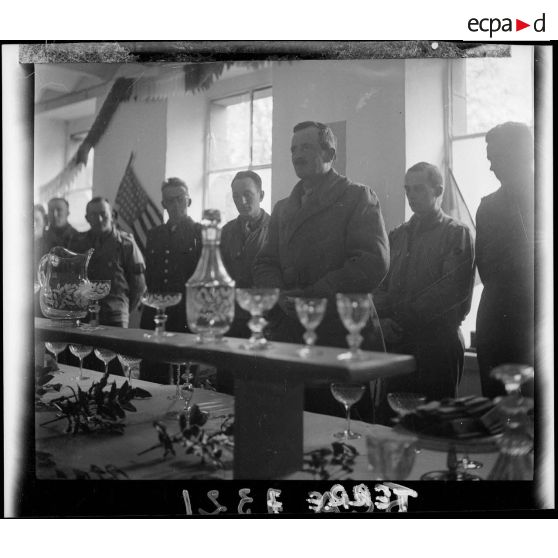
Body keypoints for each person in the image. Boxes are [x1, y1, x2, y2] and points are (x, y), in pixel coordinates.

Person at [253, 121, 390, 418]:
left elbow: (372, 262)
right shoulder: (283, 208)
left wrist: (312, 296)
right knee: (294, 427)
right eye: (293, 149)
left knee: (344, 428)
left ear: (329, 153)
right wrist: (280, 296)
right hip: (291, 335)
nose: (297, 155)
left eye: (306, 147)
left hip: (341, 335)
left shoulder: (357, 197)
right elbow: (265, 262)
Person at [373, 162, 475, 421]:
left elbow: (449, 293)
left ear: (438, 190)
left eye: (418, 189)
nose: (411, 195)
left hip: (437, 346)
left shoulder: (456, 234)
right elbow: (379, 287)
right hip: (397, 344)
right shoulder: (396, 236)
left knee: (434, 426)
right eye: (407, 189)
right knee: (390, 425)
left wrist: (396, 315)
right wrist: (381, 320)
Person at [475, 122, 535, 398]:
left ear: (521, 154)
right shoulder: (488, 206)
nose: (491, 168)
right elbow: (487, 270)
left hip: (538, 325)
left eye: (496, 158)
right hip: (497, 324)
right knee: (497, 409)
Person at [69, 197, 146, 327]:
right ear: (87, 218)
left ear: (112, 215)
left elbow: (139, 285)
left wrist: (123, 309)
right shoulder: (78, 244)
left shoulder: (126, 244)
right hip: (84, 315)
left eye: (103, 214)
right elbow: (71, 280)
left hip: (115, 316)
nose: (99, 219)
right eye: (93, 215)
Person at [140, 177, 202, 334]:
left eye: (180, 199)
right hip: (155, 310)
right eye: (170, 201)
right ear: (163, 204)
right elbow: (149, 274)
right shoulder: (154, 235)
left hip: (185, 313)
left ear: (189, 201)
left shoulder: (199, 232)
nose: (175, 205)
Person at [220, 170, 270, 338]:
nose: (241, 201)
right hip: (232, 318)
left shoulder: (276, 229)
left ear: (261, 195)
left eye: (247, 195)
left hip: (266, 318)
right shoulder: (226, 232)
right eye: (236, 196)